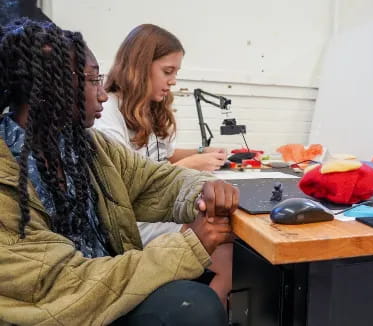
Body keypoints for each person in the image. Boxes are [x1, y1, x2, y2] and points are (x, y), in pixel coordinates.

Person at [0, 18, 238, 326]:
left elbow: (153, 180)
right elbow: (65, 285)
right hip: (64, 308)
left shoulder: (88, 147)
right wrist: (188, 245)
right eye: (91, 80)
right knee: (194, 306)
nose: (102, 95)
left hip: (108, 288)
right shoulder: (7, 176)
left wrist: (202, 189)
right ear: (50, 86)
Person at [94, 24, 232, 306]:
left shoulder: (151, 109)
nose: (173, 81)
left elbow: (164, 156)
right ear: (140, 66)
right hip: (134, 220)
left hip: (157, 210)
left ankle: (212, 303)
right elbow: (125, 184)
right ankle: (204, 307)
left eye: (176, 73)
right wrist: (192, 165)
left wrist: (202, 152)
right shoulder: (108, 113)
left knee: (227, 235)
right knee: (225, 241)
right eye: (167, 72)